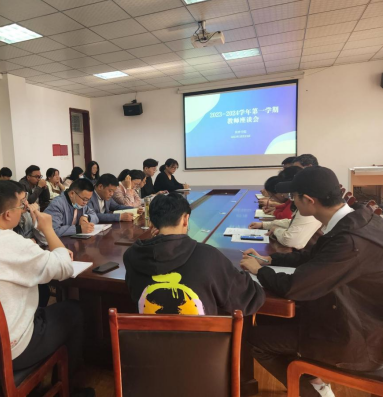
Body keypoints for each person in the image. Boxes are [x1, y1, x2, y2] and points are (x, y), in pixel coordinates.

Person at [240, 166, 383, 397]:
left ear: (308, 200)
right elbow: (315, 256)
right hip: (355, 316)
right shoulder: (356, 219)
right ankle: (315, 381)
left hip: (360, 339)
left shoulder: (350, 241)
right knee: (271, 321)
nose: (292, 202)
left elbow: (295, 287)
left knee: (253, 340)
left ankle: (314, 392)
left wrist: (259, 271)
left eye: (294, 197)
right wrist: (270, 259)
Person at [0, 180, 87, 388]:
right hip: (8, 350)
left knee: (40, 306)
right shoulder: (11, 243)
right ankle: (71, 389)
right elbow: (64, 268)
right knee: (73, 311)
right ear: (7, 214)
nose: (25, 209)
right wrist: (48, 229)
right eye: (22, 204)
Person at [124, 193, 265, 316]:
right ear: (185, 219)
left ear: (152, 222)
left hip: (147, 338)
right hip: (201, 339)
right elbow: (248, 300)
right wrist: (260, 271)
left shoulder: (132, 255)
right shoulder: (208, 256)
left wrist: (157, 243)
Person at [247, 167, 322, 250]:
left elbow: (290, 241)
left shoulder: (308, 208)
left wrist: (276, 230)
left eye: (293, 195)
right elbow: (292, 223)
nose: (291, 199)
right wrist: (264, 225)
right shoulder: (307, 205)